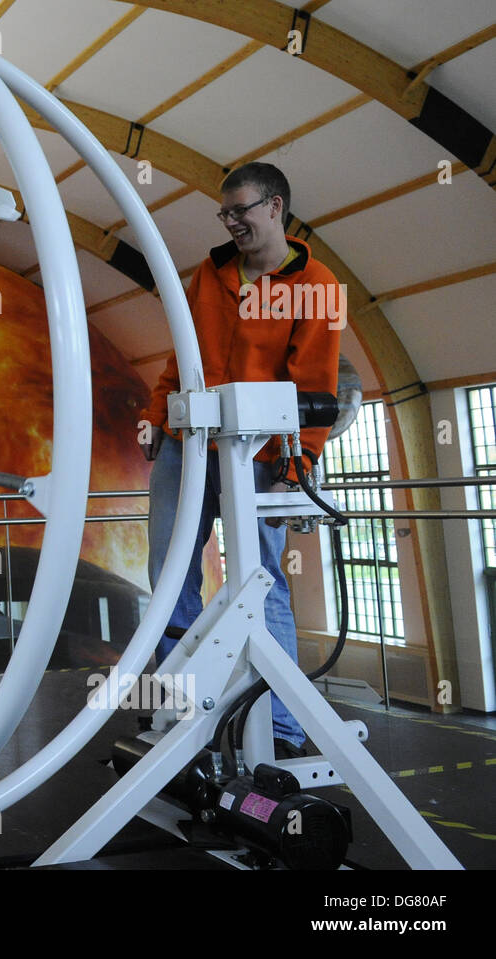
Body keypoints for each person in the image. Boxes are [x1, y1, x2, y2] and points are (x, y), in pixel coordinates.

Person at [138, 162, 343, 759]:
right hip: (187, 449)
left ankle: (279, 723)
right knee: (170, 574)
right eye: (224, 214)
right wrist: (155, 416)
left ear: (276, 207)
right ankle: (179, 702)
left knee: (261, 583)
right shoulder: (210, 274)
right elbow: (182, 359)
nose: (231, 224)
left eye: (241, 211)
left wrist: (300, 458)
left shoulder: (319, 285)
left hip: (261, 455)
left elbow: (316, 384)